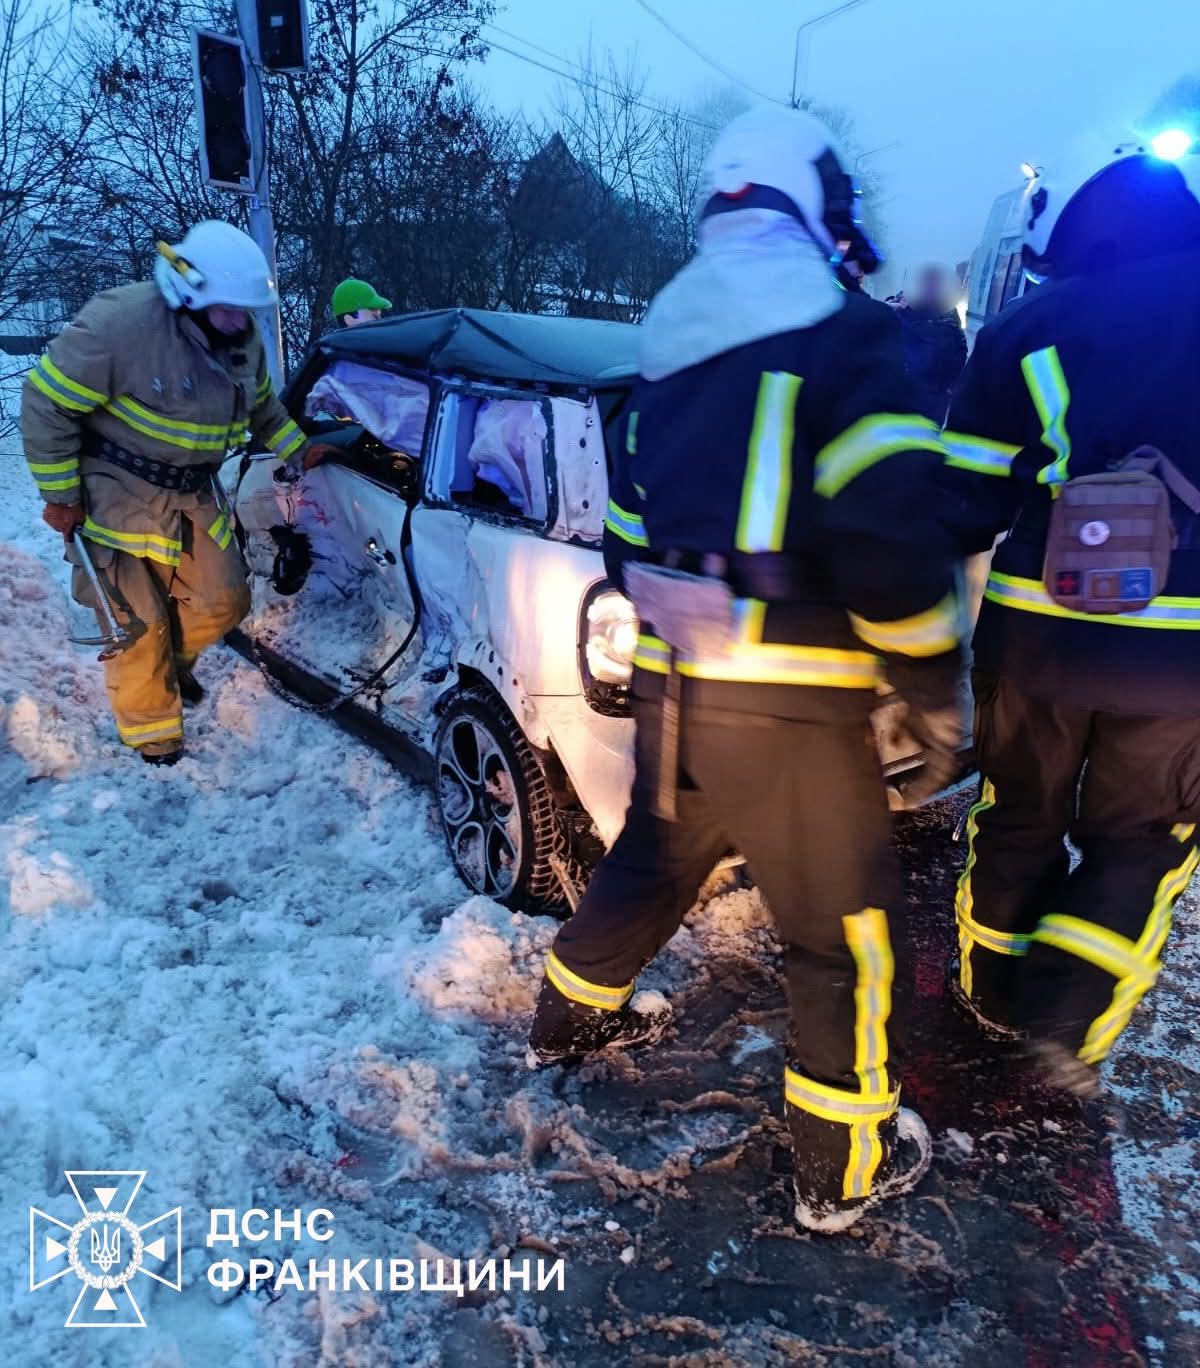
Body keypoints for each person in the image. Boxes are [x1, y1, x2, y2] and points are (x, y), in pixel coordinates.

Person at [525, 106, 968, 1233]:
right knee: (845, 935)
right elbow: (891, 531)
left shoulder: (670, 334)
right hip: (798, 705)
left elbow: (628, 528)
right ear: (813, 205)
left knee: (653, 864)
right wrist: (930, 683)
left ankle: (568, 1022)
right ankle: (843, 1165)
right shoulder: (844, 329)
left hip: (684, 689)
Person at [939, 148, 1200, 1098]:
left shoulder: (1028, 327)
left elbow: (961, 500)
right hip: (1184, 664)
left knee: (1018, 815)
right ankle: (1069, 1014)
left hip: (1040, 637)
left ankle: (991, 995)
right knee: (1147, 841)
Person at [22, 220, 329, 766]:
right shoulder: (120, 326)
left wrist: (297, 449)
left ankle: (169, 665)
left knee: (224, 600)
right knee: (137, 623)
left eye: (247, 312)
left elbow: (262, 409)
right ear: (188, 293)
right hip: (114, 491)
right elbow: (47, 402)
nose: (241, 322)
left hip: (192, 492)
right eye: (230, 310)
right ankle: (154, 742)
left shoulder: (241, 339)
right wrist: (60, 494)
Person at [893, 263, 967, 423]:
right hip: (902, 395)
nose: (931, 288)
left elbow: (959, 349)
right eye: (927, 283)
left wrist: (950, 387)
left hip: (935, 399)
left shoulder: (949, 313)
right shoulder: (899, 307)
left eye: (935, 284)